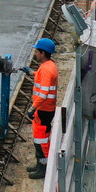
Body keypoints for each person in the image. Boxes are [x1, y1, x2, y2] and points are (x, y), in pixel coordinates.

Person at [26, 37, 58, 180]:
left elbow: (44, 93)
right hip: (46, 109)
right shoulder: (49, 66)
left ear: (43, 53)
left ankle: (43, 168)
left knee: (41, 141)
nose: (35, 54)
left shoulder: (46, 70)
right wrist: (31, 73)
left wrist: (32, 108)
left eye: (37, 51)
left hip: (43, 110)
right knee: (40, 138)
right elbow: (43, 77)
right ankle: (40, 164)